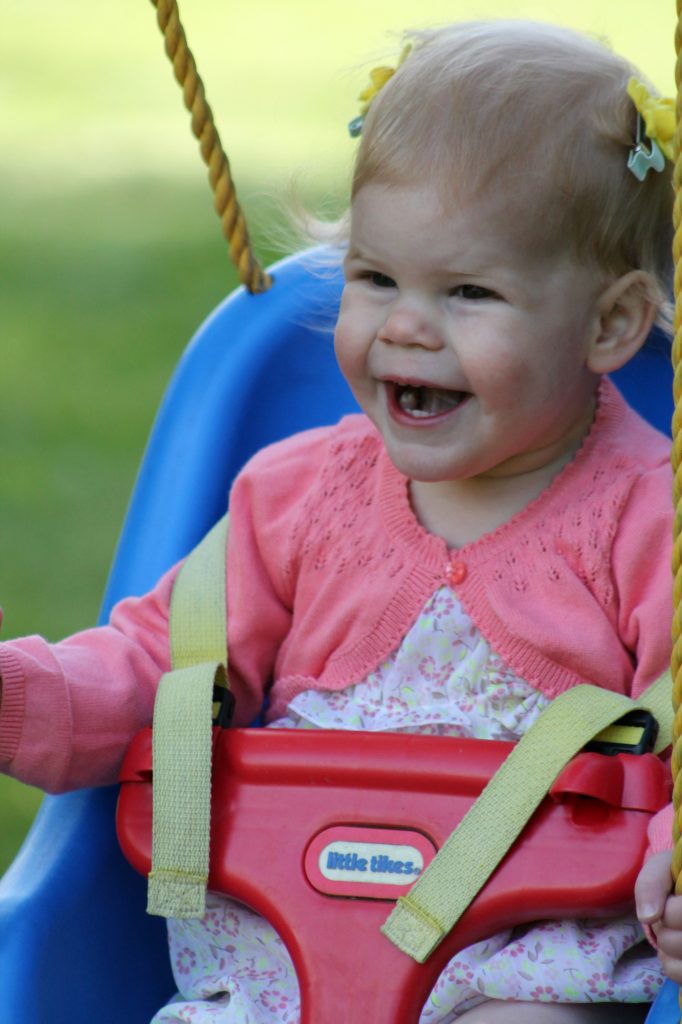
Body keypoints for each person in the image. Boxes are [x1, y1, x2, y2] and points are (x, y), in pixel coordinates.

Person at [0, 17, 679, 1023]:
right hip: (276, 963)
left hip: (520, 970)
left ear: (609, 323)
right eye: (375, 278)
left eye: (468, 291)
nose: (405, 324)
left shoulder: (651, 515)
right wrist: (23, 698)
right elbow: (155, 667)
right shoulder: (292, 496)